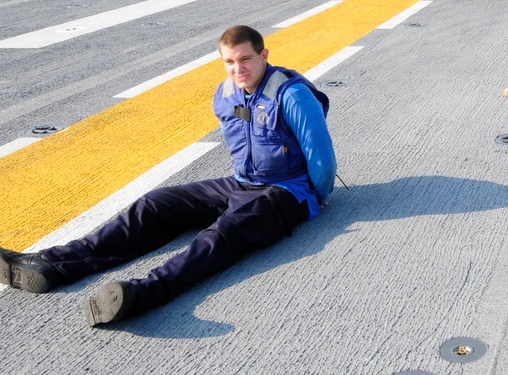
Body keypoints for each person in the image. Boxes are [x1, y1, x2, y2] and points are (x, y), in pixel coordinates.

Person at [0, 25, 336, 327]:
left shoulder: (291, 95)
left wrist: (313, 201)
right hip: (240, 183)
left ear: (264, 55)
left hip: (286, 192)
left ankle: (144, 293)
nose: (239, 69)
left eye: (246, 59)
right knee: (155, 204)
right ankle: (55, 264)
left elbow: (322, 159)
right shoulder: (227, 93)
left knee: (222, 233)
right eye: (230, 62)